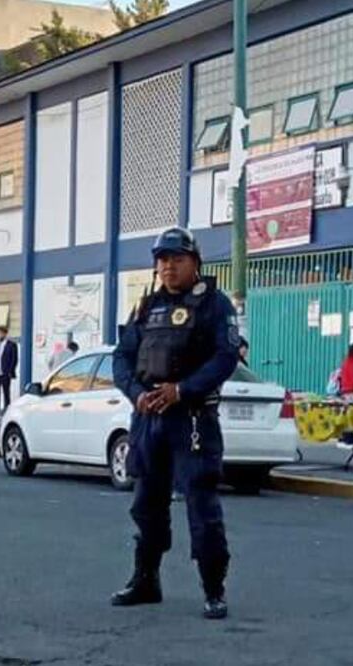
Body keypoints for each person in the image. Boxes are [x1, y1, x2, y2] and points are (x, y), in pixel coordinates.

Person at [111, 227, 240, 620]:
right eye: (162, 260)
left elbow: (225, 358)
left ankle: (213, 590)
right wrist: (137, 394)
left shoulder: (215, 305)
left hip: (192, 418)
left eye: (177, 259)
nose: (168, 266)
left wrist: (182, 390)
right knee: (146, 505)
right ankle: (146, 580)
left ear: (195, 262)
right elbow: (122, 358)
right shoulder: (146, 307)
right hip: (149, 419)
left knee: (202, 507)